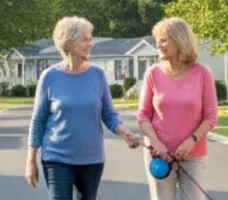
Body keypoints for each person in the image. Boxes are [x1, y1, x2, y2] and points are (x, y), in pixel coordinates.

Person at [24, 16, 142, 200]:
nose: (91, 44)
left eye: (91, 39)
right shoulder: (50, 77)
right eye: (85, 39)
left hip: (91, 159)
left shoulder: (97, 75)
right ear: (69, 42)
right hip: (56, 157)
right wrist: (31, 160)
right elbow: (38, 120)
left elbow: (109, 114)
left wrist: (126, 133)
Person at [138, 17, 218, 200]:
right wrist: (156, 143)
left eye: (164, 39)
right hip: (159, 156)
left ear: (180, 40)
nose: (159, 44)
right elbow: (143, 115)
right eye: (157, 39)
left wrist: (191, 140)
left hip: (194, 155)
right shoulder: (153, 73)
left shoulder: (202, 73)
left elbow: (211, 116)